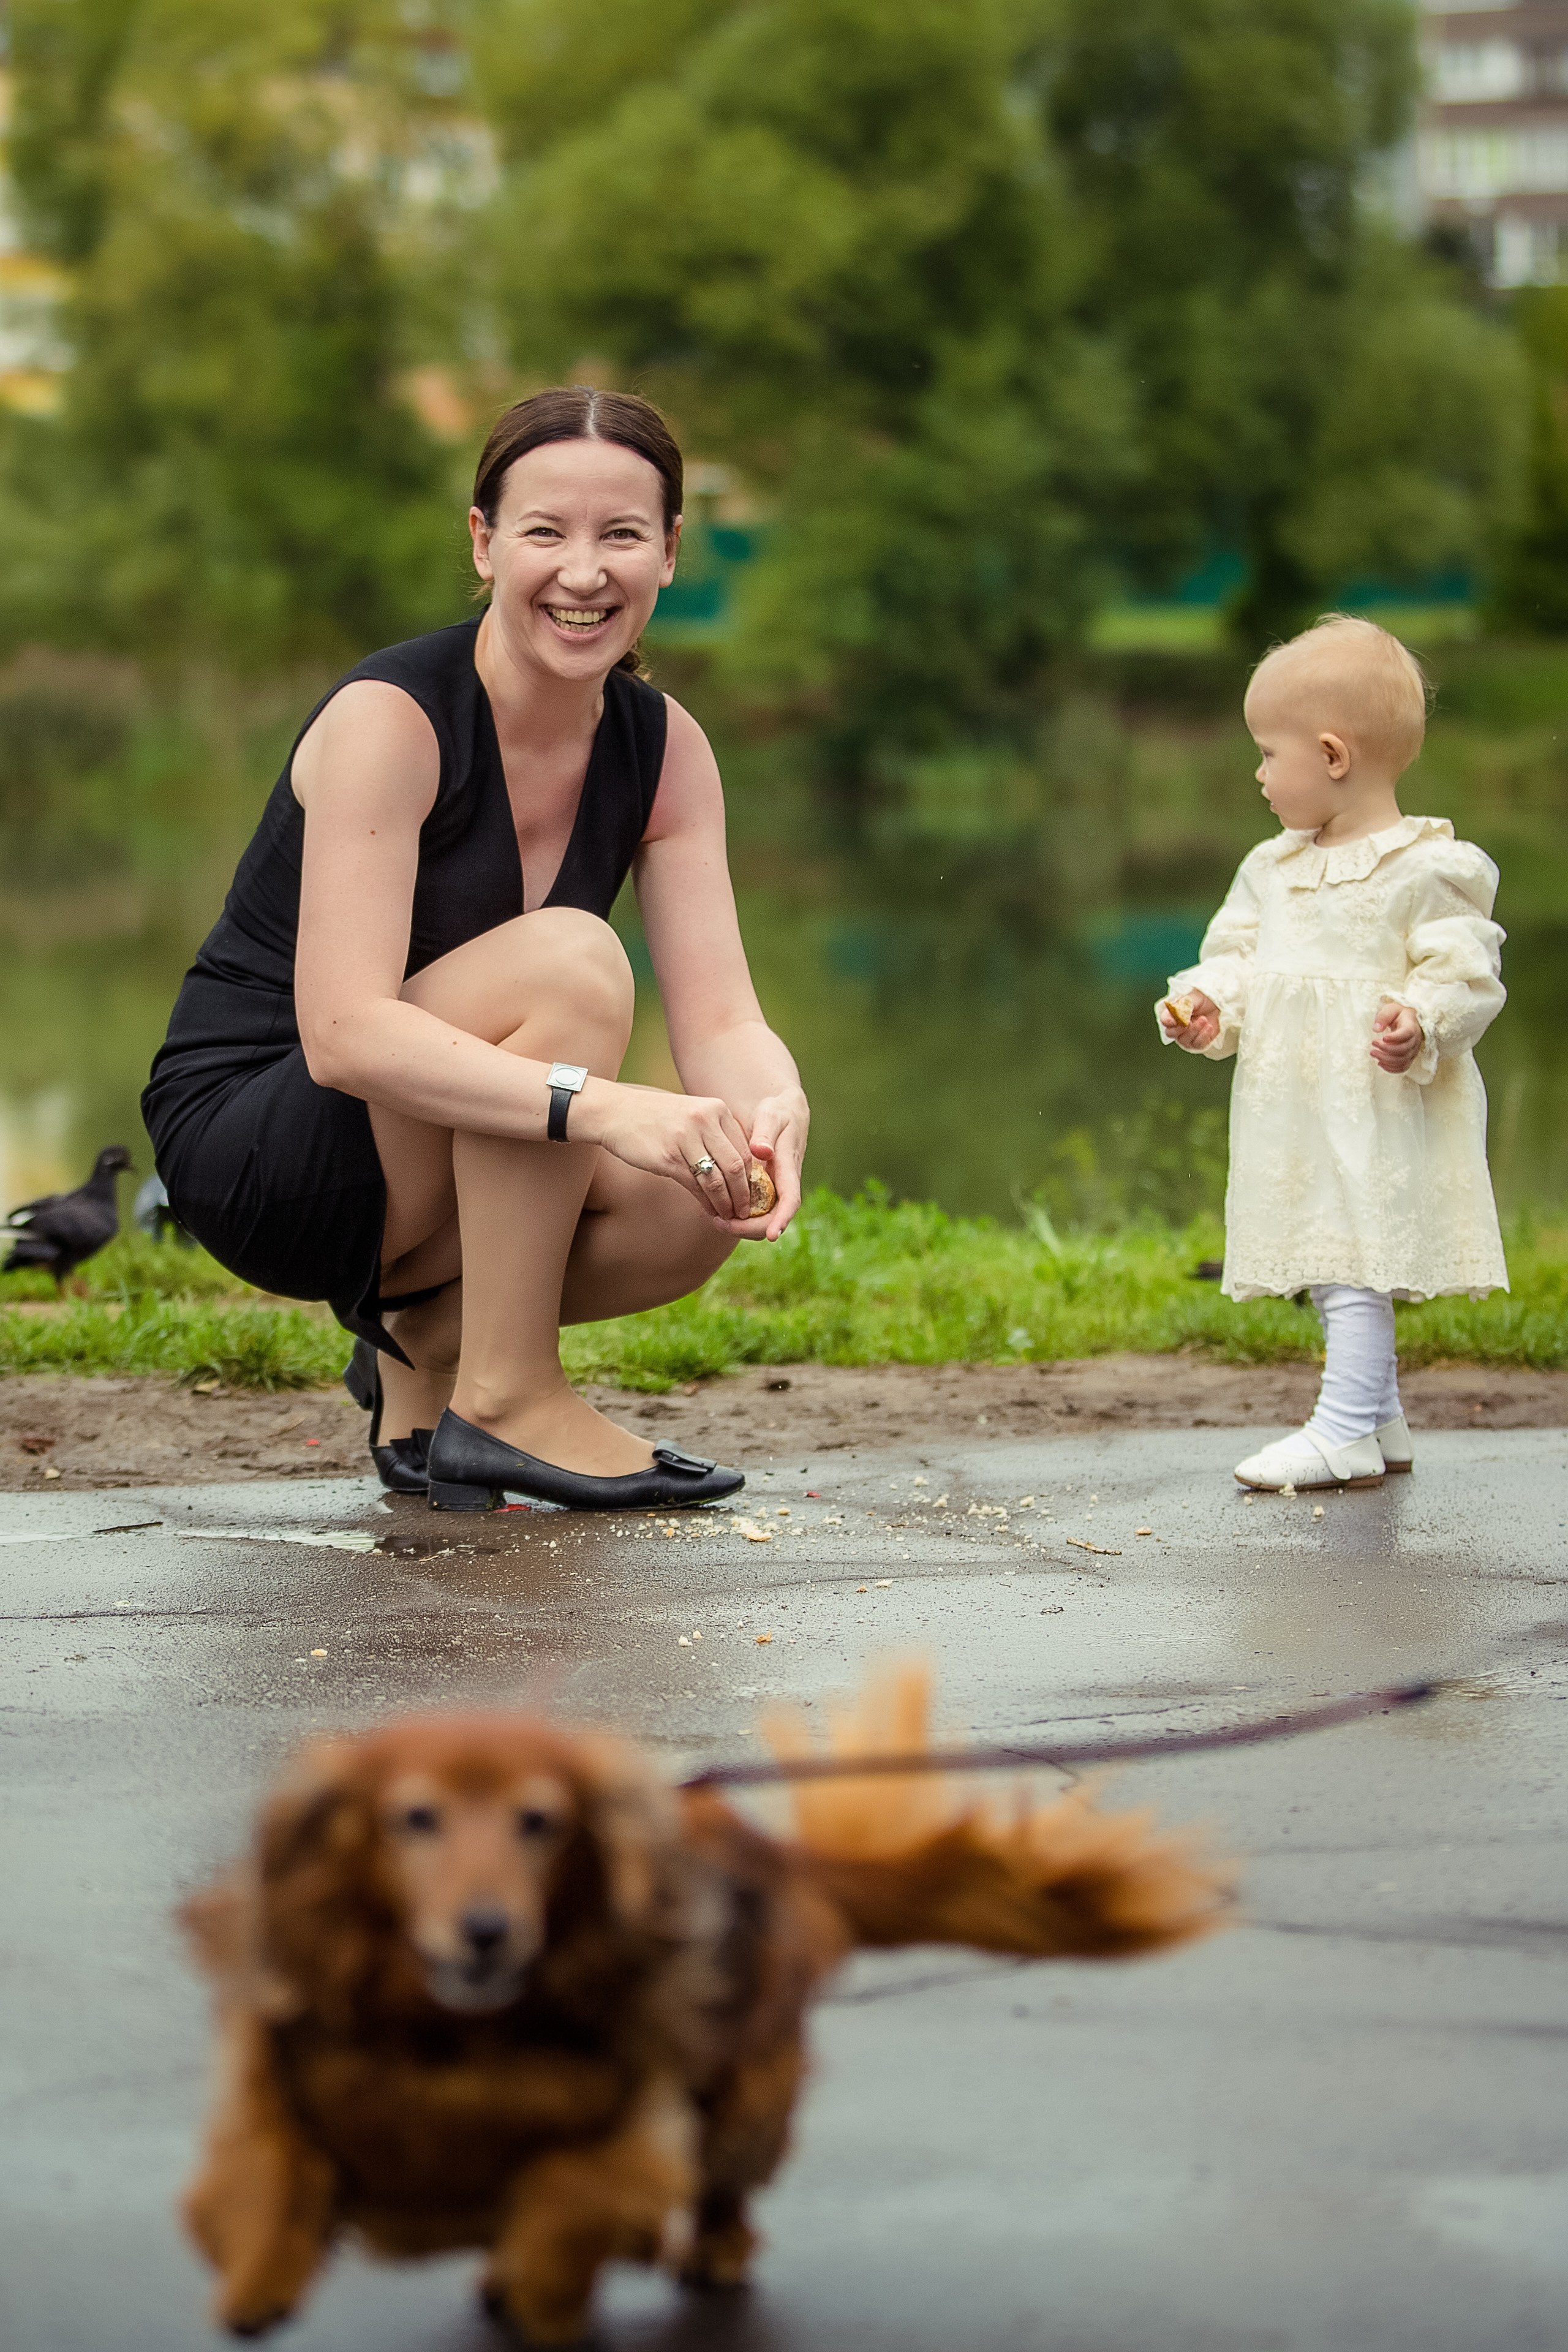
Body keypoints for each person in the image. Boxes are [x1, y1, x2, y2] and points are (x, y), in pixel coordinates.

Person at [143, 387, 809, 1512]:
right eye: (546, 532)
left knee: (705, 1188)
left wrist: (774, 1103)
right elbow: (346, 1034)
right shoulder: (391, 719)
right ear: (484, 540)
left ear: (672, 551)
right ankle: (507, 1397)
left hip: (430, 1137)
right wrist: (606, 1109)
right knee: (573, 962)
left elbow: (725, 1020)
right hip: (266, 1141)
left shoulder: (666, 750)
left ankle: (424, 1361)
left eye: (623, 535)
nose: (584, 573)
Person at [1157, 614, 1506, 1491]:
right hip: (1292, 1104)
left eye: (1270, 755)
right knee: (1319, 1247)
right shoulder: (1270, 869)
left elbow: (1466, 968)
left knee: (1350, 1255)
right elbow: (1241, 960)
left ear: (1333, 755)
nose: (1259, 774)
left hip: (1375, 1100)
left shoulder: (1427, 868)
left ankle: (1344, 1425)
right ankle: (1379, 1416)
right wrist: (1206, 1006)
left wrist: (1421, 1019)